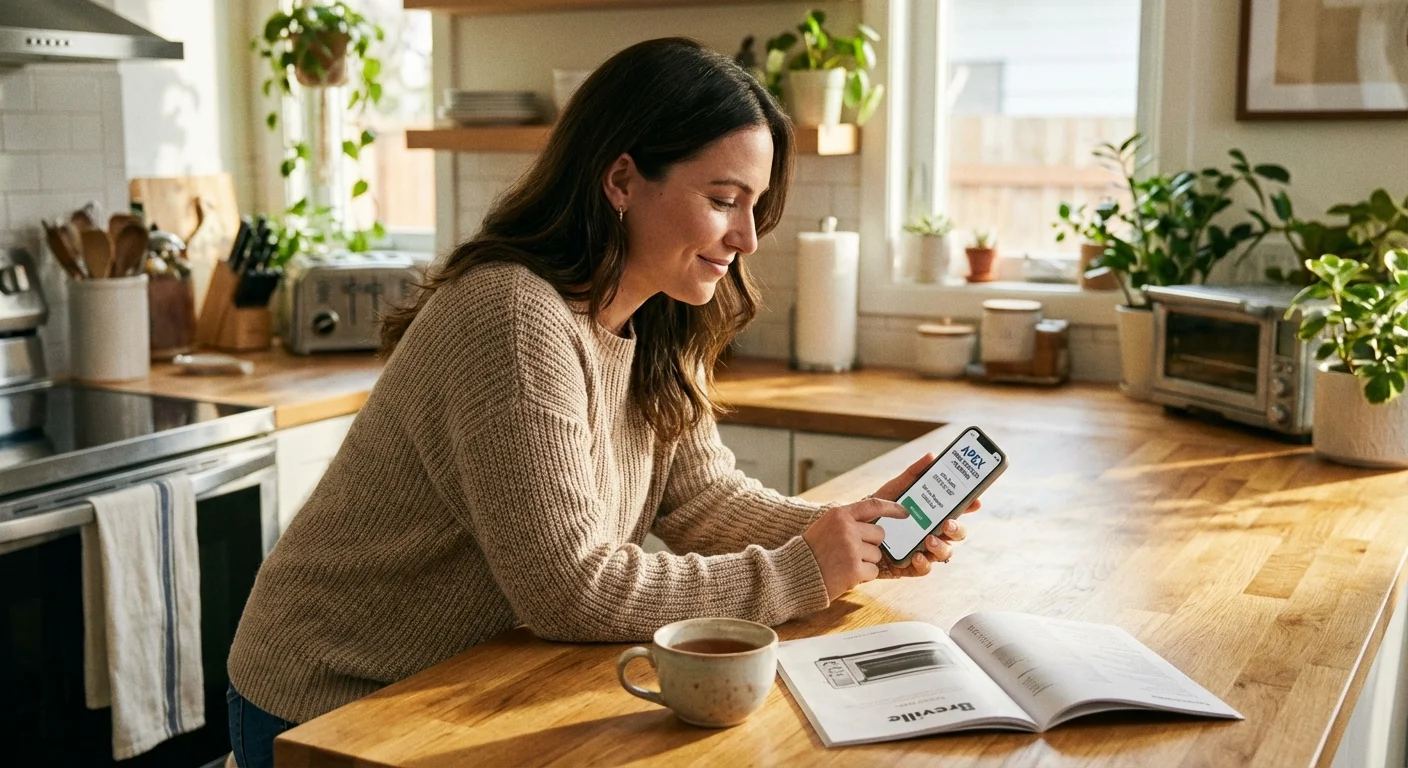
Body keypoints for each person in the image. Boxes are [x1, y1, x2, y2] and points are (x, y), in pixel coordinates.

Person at [224, 37, 978, 767]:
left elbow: (701, 498)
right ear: (621, 181)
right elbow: (572, 591)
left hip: (459, 681)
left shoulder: (652, 312)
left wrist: (851, 534)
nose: (747, 237)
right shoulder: (514, 317)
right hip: (332, 702)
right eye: (723, 200)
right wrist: (800, 570)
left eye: (755, 207)